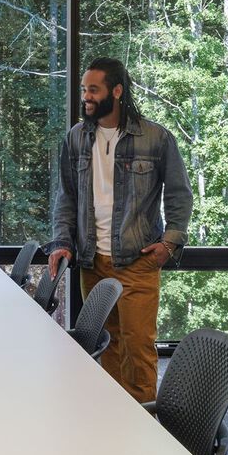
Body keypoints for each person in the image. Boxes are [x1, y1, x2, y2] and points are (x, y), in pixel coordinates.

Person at [48, 56, 192, 404]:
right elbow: (66, 196)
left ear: (116, 91)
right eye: (84, 89)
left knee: (137, 348)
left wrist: (169, 244)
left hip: (138, 261)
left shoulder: (155, 138)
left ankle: (145, 425)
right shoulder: (76, 139)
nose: (87, 96)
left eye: (93, 90)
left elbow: (179, 195)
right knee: (105, 344)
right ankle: (111, 419)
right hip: (92, 261)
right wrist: (61, 242)